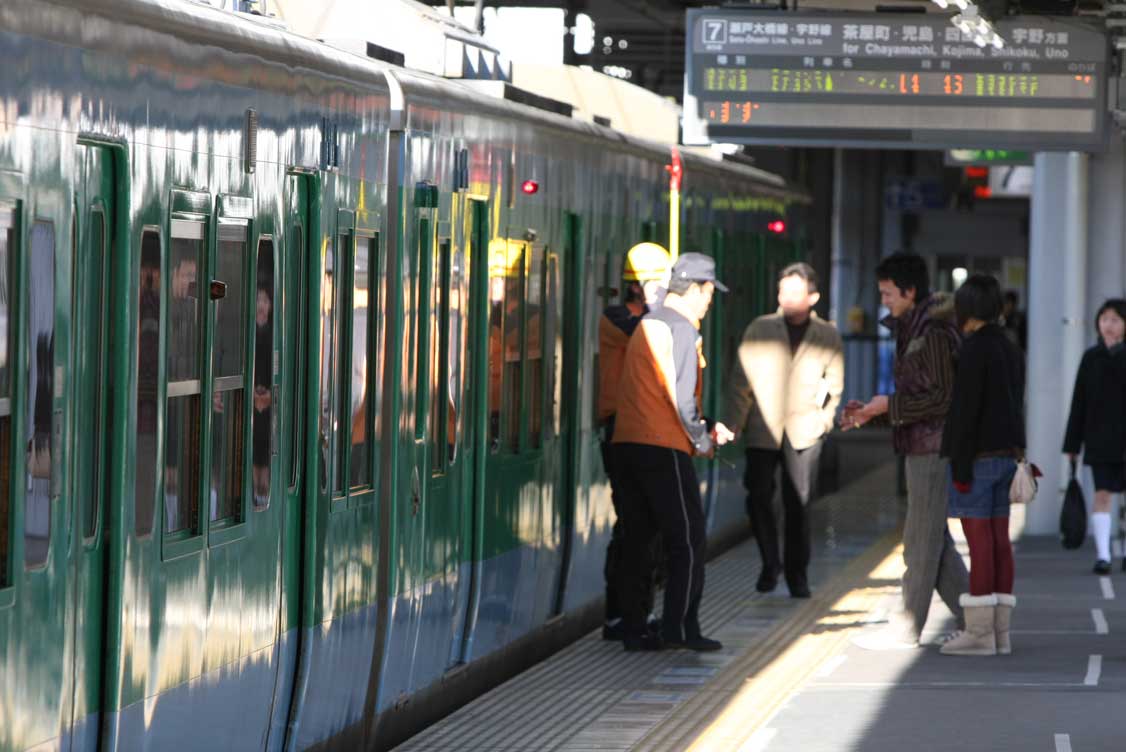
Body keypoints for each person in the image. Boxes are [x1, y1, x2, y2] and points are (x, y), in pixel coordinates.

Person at [843, 252, 969, 650]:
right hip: (922, 444)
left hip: (933, 448)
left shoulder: (930, 332)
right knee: (935, 542)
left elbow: (941, 398)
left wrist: (887, 407)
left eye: (887, 293)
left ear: (910, 291)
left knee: (920, 540)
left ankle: (908, 625)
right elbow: (918, 398)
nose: (883, 300)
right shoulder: (914, 326)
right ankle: (979, 621)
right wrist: (872, 413)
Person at [613, 252, 733, 652]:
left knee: (639, 537)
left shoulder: (649, 322)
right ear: (697, 289)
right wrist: (702, 438)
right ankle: (680, 628)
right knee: (688, 539)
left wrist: (705, 421)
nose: (710, 302)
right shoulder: (682, 328)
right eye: (710, 293)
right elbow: (681, 400)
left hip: (628, 442)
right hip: (663, 446)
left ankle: (634, 627)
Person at [724, 262, 844, 599]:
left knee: (799, 505)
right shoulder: (760, 329)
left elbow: (832, 385)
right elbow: (740, 381)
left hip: (805, 432)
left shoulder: (827, 335)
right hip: (762, 429)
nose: (786, 298)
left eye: (795, 292)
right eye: (782, 291)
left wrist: (823, 421)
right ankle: (769, 562)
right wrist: (736, 422)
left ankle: (797, 574)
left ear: (813, 296)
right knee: (758, 497)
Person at [937, 275, 1025, 656]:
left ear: (966, 309)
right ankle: (1000, 634)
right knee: (1000, 542)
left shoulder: (973, 350)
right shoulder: (1009, 348)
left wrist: (958, 465)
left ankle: (978, 634)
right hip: (1007, 457)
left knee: (980, 544)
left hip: (978, 459)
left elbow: (965, 411)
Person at [598, 242, 671, 640]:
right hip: (621, 432)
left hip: (647, 431)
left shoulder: (651, 319)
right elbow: (647, 333)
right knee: (634, 526)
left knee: (644, 526)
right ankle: (624, 616)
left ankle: (633, 613)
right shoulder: (617, 320)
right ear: (640, 285)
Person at [1063, 299, 1126, 574]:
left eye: (1114, 320)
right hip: (1099, 438)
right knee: (1102, 494)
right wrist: (1072, 444)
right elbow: (1079, 402)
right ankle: (1103, 555)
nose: (1108, 325)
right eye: (1104, 319)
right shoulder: (1090, 358)